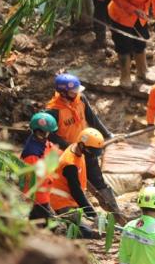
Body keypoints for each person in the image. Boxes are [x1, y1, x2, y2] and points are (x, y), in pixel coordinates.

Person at [45, 73, 124, 223]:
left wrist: (108, 135)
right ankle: (72, 219)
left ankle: (117, 215)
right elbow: (51, 136)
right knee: (72, 188)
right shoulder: (53, 111)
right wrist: (70, 147)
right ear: (62, 92)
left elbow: (92, 118)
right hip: (69, 156)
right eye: (73, 91)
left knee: (99, 182)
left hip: (88, 148)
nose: (77, 93)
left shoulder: (80, 99)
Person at [50, 128, 104, 239]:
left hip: (71, 198)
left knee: (87, 226)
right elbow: (76, 192)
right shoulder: (70, 164)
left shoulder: (76, 149)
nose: (93, 156)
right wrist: (92, 214)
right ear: (82, 145)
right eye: (91, 152)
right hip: (62, 201)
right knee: (85, 232)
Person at [20, 112, 60, 222]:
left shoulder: (40, 141)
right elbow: (35, 179)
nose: (48, 134)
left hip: (43, 193)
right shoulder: (32, 153)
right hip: (38, 196)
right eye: (47, 132)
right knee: (54, 225)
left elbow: (50, 148)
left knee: (36, 221)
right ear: (40, 132)